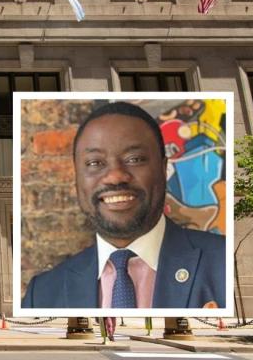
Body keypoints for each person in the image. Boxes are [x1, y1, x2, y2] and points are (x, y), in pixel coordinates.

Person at [21, 102, 225, 309]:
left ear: (163, 169)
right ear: (77, 178)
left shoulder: (223, 263)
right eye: (94, 163)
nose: (115, 176)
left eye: (134, 159)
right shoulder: (42, 294)